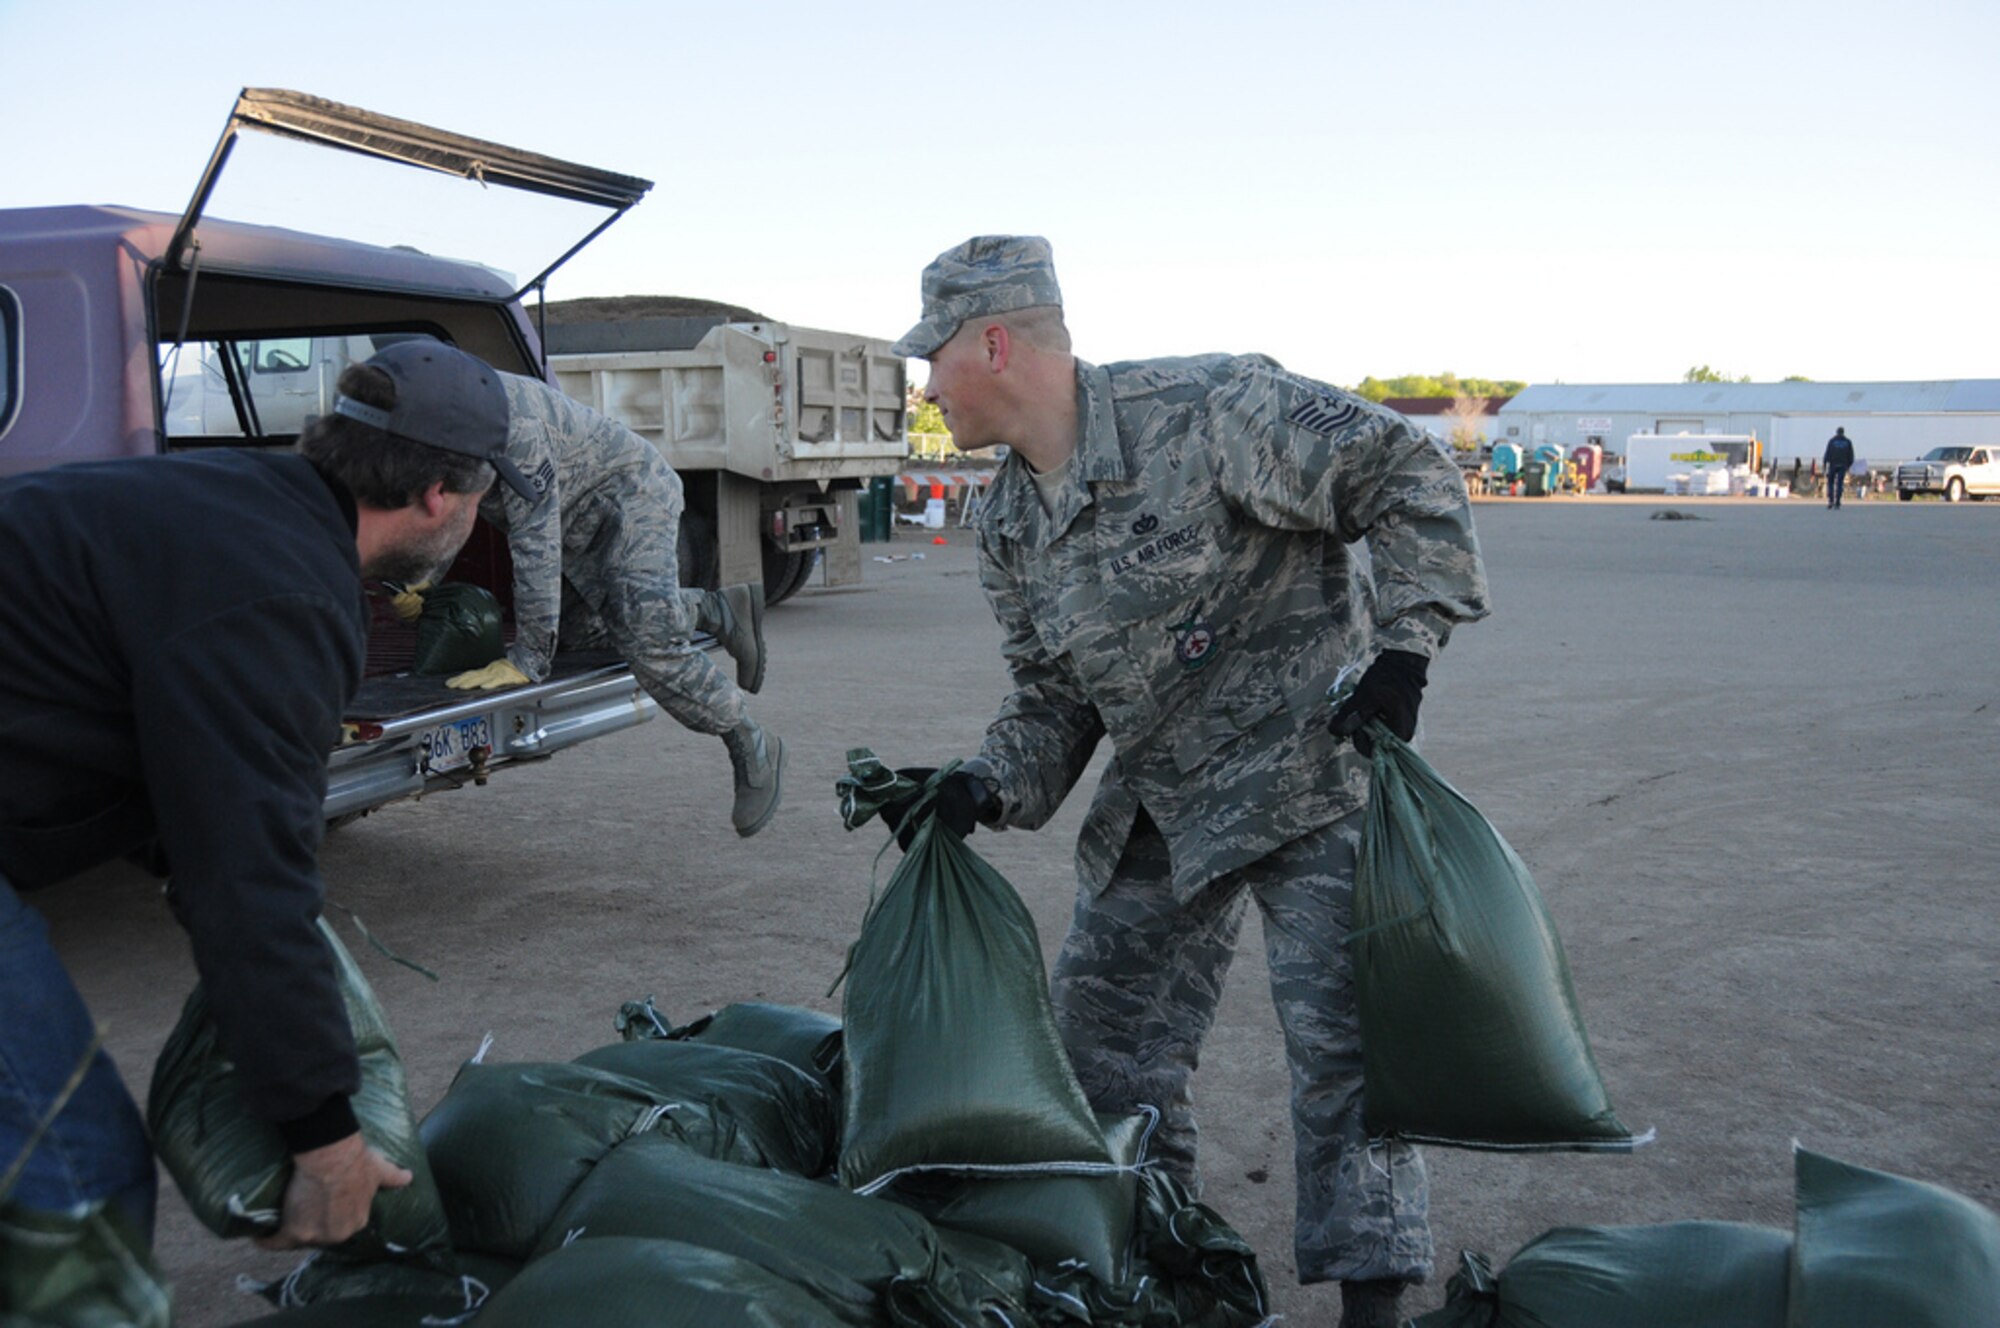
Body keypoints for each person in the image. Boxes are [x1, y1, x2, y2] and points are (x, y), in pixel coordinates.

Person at [877, 236, 1490, 1328]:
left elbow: (1404, 468)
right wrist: (979, 785)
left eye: (933, 356)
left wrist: (1403, 647)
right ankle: (1175, 1271)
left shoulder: (1209, 406)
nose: (924, 383)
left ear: (994, 340)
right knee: (1103, 1045)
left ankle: (1371, 1306)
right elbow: (1053, 701)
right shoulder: (1007, 521)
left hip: (1308, 765)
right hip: (1165, 793)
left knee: (1343, 1047)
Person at [0, 341, 520, 1257]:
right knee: (76, 1175)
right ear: (441, 494)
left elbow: (175, 766)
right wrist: (325, 1139)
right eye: (482, 496)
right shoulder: (280, 595)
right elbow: (247, 883)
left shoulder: (237, 507)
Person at [414, 367, 783, 837]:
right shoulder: (433, 428)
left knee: (647, 639)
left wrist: (528, 658)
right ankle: (712, 609)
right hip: (581, 511)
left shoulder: (518, 434)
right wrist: (421, 581)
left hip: (634, 492)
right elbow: (449, 512)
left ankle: (749, 738)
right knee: (576, 634)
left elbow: (535, 547)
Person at [1823, 427, 1855, 509]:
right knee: (1840, 483)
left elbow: (1827, 453)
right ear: (1843, 432)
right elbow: (1851, 455)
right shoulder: (1848, 442)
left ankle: (1831, 500)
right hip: (1843, 465)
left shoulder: (1832, 441)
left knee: (1830, 482)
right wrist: (1849, 465)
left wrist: (1825, 464)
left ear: (1836, 432)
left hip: (1833, 464)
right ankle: (1838, 501)